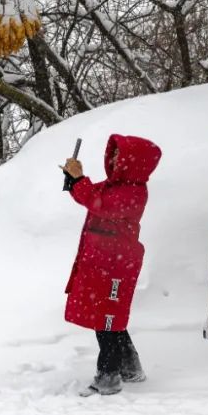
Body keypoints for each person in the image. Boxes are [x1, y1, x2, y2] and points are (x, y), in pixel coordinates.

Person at [62, 134, 162, 396]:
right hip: (104, 262)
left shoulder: (134, 191)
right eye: (114, 153)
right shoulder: (116, 185)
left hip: (115, 265)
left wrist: (79, 179)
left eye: (120, 155)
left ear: (134, 162)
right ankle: (130, 368)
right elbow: (91, 196)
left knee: (107, 320)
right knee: (108, 317)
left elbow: (98, 204)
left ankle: (109, 377)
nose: (115, 158)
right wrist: (75, 180)